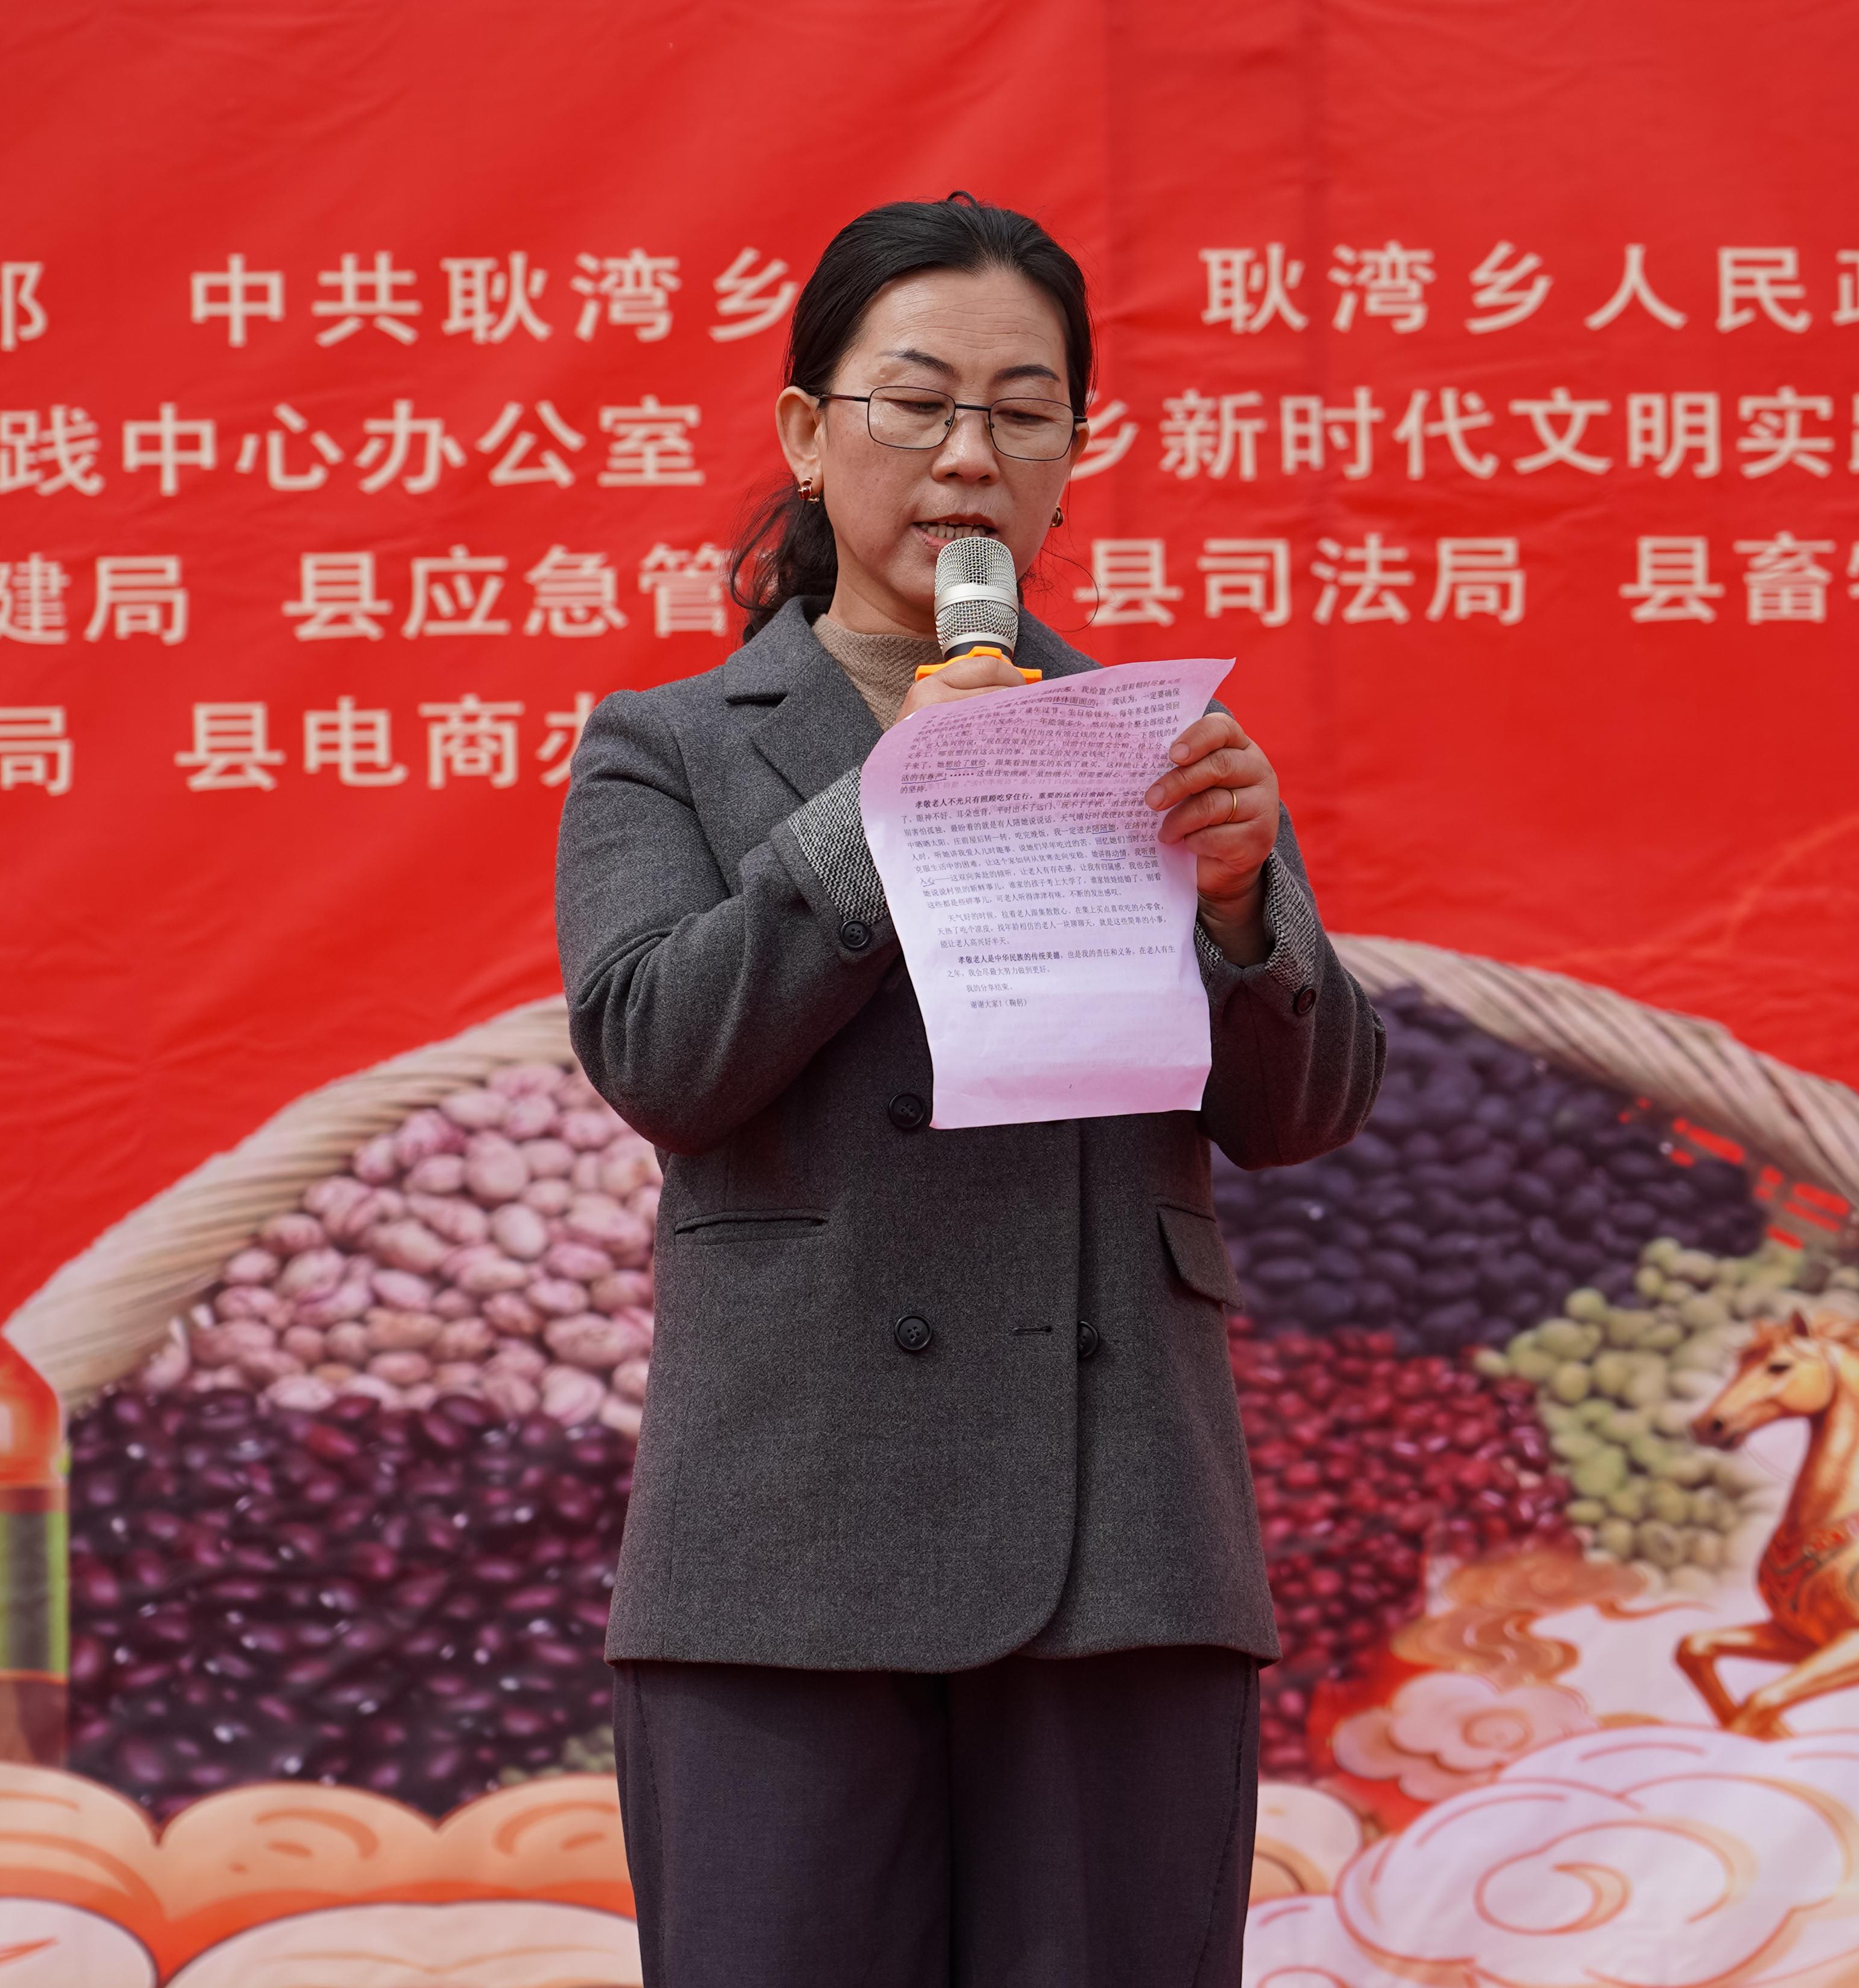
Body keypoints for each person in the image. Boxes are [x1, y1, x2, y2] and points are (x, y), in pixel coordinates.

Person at [554, 194, 1383, 1988]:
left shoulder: (1155, 742)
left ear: (1073, 456)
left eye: (1022, 412)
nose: (967, 457)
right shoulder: (669, 746)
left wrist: (1245, 908)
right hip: (784, 1545)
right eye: (916, 403)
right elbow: (657, 1054)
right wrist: (882, 809)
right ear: (807, 432)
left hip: (1121, 1541)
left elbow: (1306, 1111)